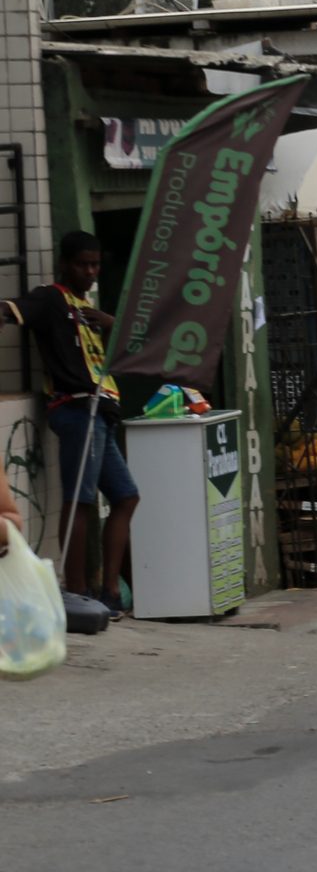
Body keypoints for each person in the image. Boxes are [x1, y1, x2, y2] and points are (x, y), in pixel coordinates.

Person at [3, 232, 138, 610]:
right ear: (65, 263)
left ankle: (109, 592)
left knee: (126, 497)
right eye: (83, 264)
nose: (90, 271)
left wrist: (111, 322)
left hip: (103, 411)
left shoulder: (90, 309)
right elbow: (13, 308)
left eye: (95, 264)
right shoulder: (52, 297)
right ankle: (76, 592)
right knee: (79, 499)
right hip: (78, 409)